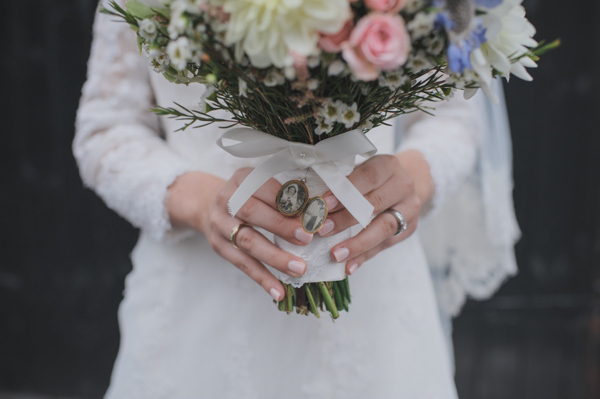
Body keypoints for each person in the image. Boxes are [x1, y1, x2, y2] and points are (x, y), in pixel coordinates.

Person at [74, 1, 519, 397]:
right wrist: (204, 203)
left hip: (372, 283)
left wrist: (409, 184)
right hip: (199, 299)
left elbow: (458, 112)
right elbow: (106, 127)